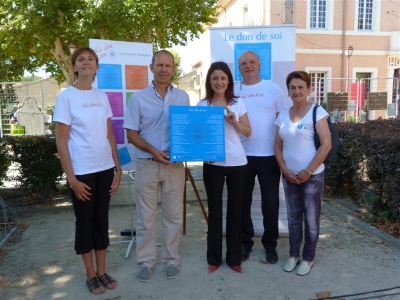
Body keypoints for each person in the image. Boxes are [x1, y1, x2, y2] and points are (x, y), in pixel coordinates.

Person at [54, 47, 121, 294]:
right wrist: (71, 179)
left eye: (90, 59)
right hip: (81, 172)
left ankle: (102, 271)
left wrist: (118, 168)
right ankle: (90, 273)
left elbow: (109, 134)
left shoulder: (102, 97)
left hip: (104, 168)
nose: (86, 62)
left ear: (96, 67)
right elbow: (61, 142)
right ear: (74, 66)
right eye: (81, 59)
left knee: (101, 221)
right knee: (84, 223)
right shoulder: (66, 97)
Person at [124, 50, 189, 282]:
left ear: (173, 69)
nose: (163, 69)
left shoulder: (183, 97)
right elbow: (131, 133)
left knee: (173, 216)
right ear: (151, 68)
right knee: (146, 217)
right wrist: (153, 151)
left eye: (168, 65)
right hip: (147, 164)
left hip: (174, 165)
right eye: (159, 65)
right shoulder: (138, 98)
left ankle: (171, 260)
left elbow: (187, 131)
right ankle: (146, 262)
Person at [274, 71, 331, 276]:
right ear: (288, 90)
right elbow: (277, 146)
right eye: (292, 88)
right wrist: (284, 169)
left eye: (301, 87)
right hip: (289, 176)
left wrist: (308, 171)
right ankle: (293, 255)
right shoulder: (282, 114)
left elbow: (326, 145)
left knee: (311, 220)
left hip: (312, 176)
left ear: (309, 89)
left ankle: (308, 258)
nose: (296, 91)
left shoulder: (317, 112)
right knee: (293, 218)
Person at [197, 62, 251, 273]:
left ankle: (234, 257)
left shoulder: (238, 103)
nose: (219, 82)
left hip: (238, 163)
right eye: (214, 78)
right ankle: (214, 258)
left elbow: (248, 132)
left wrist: (234, 122)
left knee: (235, 212)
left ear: (229, 81)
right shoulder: (203, 105)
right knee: (215, 212)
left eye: (222, 78)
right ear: (209, 82)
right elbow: (197, 137)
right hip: (213, 165)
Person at [234, 51, 286, 263]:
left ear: (259, 65)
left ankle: (270, 245)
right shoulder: (233, 90)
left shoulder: (272, 88)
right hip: (240, 155)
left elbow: (282, 119)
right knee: (242, 203)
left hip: (269, 155)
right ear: (239, 68)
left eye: (252, 62)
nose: (248, 66)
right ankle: (246, 243)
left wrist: (283, 150)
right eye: (243, 63)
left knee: (271, 203)